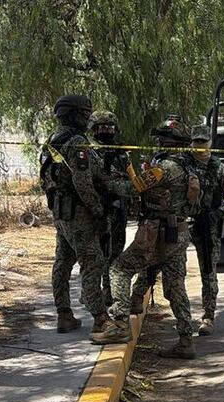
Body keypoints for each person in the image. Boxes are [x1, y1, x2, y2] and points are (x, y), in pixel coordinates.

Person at [92, 116, 201, 360]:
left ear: (168, 142)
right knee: (175, 287)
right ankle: (185, 340)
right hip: (179, 232)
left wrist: (107, 182)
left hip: (158, 233)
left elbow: (135, 187)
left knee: (119, 270)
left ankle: (120, 326)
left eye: (162, 138)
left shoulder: (165, 168)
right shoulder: (189, 166)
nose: (159, 142)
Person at [40, 94, 108, 334]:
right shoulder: (77, 142)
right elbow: (83, 183)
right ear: (75, 115)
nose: (88, 118)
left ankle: (64, 314)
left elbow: (45, 178)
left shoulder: (52, 139)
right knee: (93, 262)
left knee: (63, 262)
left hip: (60, 212)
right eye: (85, 114)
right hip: (78, 214)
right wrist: (98, 211)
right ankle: (101, 319)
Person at [187, 125, 224, 336]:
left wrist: (219, 212)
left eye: (203, 141)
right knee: (174, 270)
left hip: (210, 226)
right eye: (196, 141)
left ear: (210, 143)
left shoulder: (219, 168)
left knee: (208, 272)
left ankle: (208, 316)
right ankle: (182, 318)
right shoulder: (184, 164)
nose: (200, 146)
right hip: (185, 224)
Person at [88, 110, 130, 308]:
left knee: (116, 249)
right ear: (94, 129)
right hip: (99, 209)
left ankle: (110, 290)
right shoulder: (89, 150)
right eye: (102, 127)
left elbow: (131, 178)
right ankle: (100, 292)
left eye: (110, 127)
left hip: (119, 207)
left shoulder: (121, 152)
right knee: (101, 252)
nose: (107, 131)